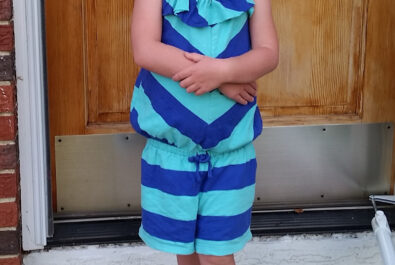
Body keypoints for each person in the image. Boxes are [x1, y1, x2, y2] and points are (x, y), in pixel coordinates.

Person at [130, 0, 278, 264]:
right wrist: (218, 83)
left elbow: (267, 53)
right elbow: (145, 49)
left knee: (215, 255)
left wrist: (223, 72)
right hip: (174, 152)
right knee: (186, 252)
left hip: (229, 154)